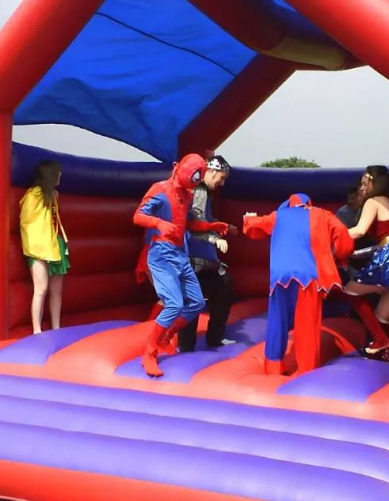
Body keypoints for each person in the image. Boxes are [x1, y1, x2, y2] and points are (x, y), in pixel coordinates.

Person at [133, 154, 229, 378]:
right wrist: (159, 223)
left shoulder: (187, 194)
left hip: (179, 254)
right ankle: (150, 353)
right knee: (174, 304)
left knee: (195, 304)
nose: (196, 182)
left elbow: (188, 224)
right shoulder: (160, 189)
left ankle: (167, 336)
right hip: (161, 254)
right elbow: (138, 216)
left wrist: (210, 225)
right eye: (195, 175)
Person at [243, 193, 354, 376]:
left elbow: (254, 226)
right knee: (308, 325)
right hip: (308, 277)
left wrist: (248, 218)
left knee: (277, 321)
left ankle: (273, 368)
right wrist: (338, 255)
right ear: (307, 203)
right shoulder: (322, 214)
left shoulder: (279, 215)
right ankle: (306, 370)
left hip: (280, 277)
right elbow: (343, 236)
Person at [178, 154, 239, 352]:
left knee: (221, 287)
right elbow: (194, 224)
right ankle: (187, 345)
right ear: (211, 171)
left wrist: (222, 226)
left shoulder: (202, 191)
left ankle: (209, 339)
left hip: (198, 257)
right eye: (220, 178)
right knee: (195, 298)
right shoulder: (199, 190)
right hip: (191, 256)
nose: (221, 183)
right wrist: (215, 238)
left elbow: (204, 218)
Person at [343, 166, 389, 356]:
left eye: (364, 184)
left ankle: (381, 339)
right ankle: (384, 352)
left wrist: (331, 234)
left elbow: (359, 230)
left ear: (373, 184)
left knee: (350, 291)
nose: (361, 188)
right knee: (383, 314)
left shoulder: (373, 201)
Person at [19, 160, 70, 334]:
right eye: (58, 173)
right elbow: (28, 223)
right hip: (39, 246)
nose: (61, 175)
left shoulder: (54, 195)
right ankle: (37, 330)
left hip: (55, 245)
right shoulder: (33, 196)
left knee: (57, 290)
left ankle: (56, 327)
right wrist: (38, 247)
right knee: (40, 289)